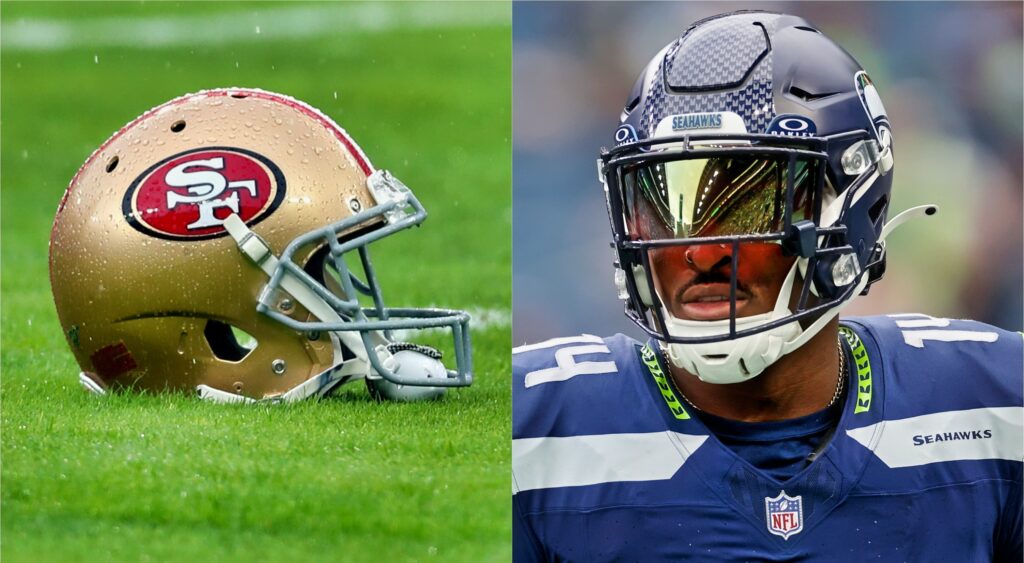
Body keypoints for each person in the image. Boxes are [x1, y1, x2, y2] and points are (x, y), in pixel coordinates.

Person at [512, 11, 1022, 561]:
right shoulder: (541, 428)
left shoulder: (991, 406)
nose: (699, 253)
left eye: (747, 205)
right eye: (665, 207)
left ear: (846, 208)